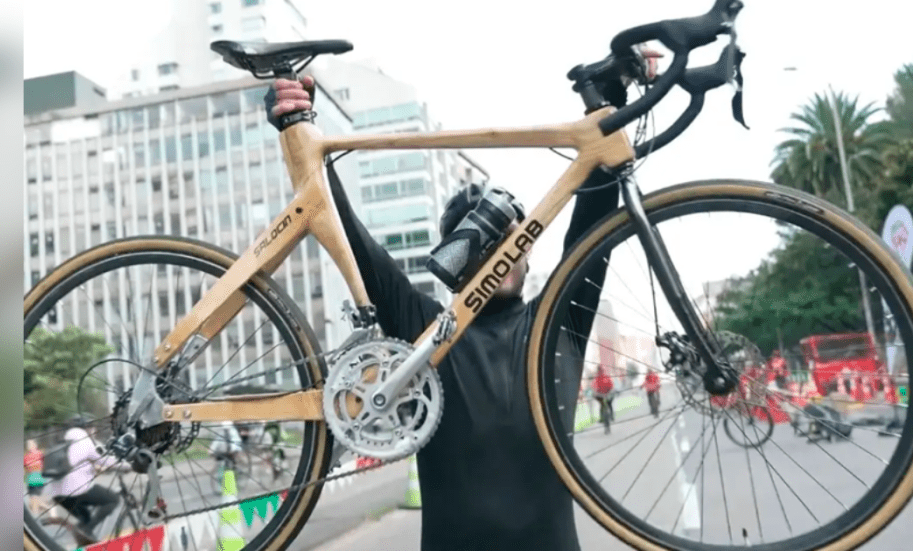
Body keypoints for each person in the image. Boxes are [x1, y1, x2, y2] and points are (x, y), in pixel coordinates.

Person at [264, 49, 660, 550]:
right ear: (450, 260)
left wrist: (611, 97)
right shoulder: (424, 329)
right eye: (473, 242)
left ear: (526, 248)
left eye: (504, 237)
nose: (493, 253)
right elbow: (350, 238)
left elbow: (595, 209)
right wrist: (297, 125)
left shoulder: (558, 319)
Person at [52, 419, 120, 543]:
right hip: (77, 490)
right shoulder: (85, 441)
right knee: (113, 499)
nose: (94, 431)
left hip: (57, 494)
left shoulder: (62, 442)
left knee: (85, 521)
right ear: (85, 429)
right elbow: (106, 461)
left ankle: (84, 538)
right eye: (92, 427)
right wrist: (127, 464)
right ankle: (87, 530)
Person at [24, 439, 46, 515]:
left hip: (35, 479)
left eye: (30, 444)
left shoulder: (39, 454)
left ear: (35, 445)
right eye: (28, 444)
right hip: (33, 480)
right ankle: (48, 508)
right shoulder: (27, 456)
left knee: (34, 501)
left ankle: (36, 517)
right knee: (35, 501)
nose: (28, 446)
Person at [592, 366, 615, 433]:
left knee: (606, 405)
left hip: (605, 394)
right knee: (604, 405)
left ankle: (607, 417)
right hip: (603, 394)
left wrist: (609, 391)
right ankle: (607, 418)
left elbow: (610, 385)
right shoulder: (598, 377)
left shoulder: (600, 377)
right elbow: (595, 386)